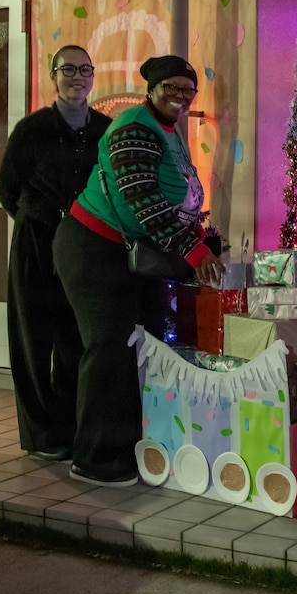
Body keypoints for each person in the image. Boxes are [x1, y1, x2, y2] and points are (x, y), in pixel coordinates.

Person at [53, 55, 224, 487]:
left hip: (128, 252)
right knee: (110, 349)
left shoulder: (168, 130)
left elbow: (176, 195)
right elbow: (142, 198)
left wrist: (200, 235)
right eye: (172, 88)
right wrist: (193, 250)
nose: (181, 97)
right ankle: (95, 460)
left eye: (188, 90)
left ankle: (135, 447)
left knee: (142, 346)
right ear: (152, 89)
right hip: (94, 248)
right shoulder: (134, 126)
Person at [0, 45, 111, 462]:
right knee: (32, 336)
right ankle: (42, 433)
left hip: (83, 246)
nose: (77, 77)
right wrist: (40, 221)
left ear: (93, 76)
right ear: (53, 76)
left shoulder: (105, 130)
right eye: (68, 70)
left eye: (84, 70)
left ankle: (71, 426)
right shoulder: (33, 129)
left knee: (74, 336)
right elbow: (7, 189)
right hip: (36, 243)